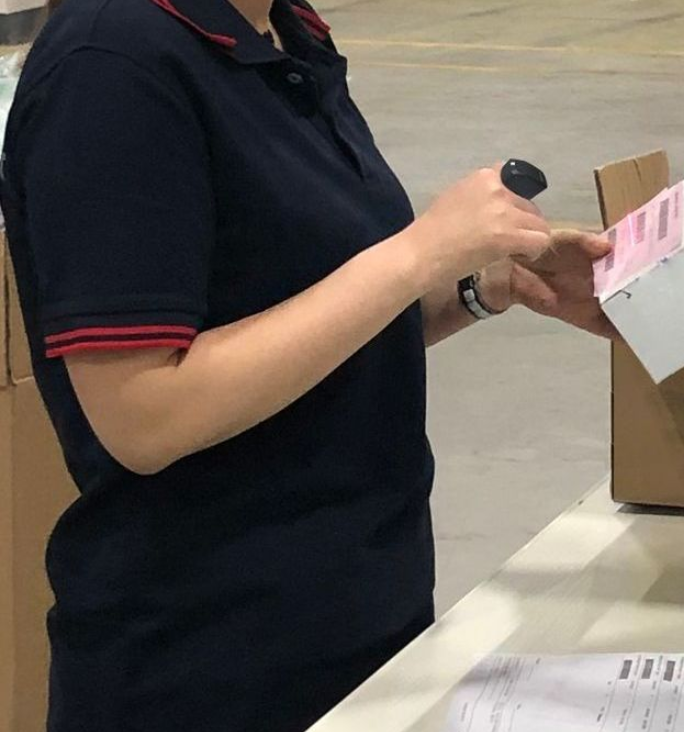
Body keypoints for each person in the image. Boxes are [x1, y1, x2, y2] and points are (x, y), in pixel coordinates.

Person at [0, 0, 615, 730]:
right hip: (210, 669)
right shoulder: (111, 66)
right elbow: (143, 415)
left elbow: (313, 318)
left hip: (359, 634)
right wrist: (417, 253)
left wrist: (485, 285)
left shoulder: (283, 32)